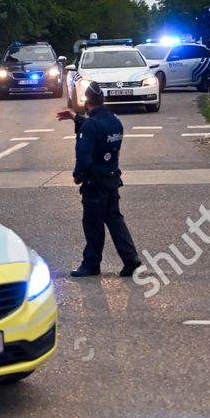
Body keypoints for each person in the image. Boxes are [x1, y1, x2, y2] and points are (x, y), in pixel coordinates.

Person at [58, 84, 140, 278]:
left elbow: (84, 154)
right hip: (111, 178)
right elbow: (98, 130)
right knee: (114, 219)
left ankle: (91, 264)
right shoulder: (115, 121)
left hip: (95, 182)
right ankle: (131, 258)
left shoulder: (90, 126)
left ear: (87, 102)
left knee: (92, 222)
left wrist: (78, 175)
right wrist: (75, 118)